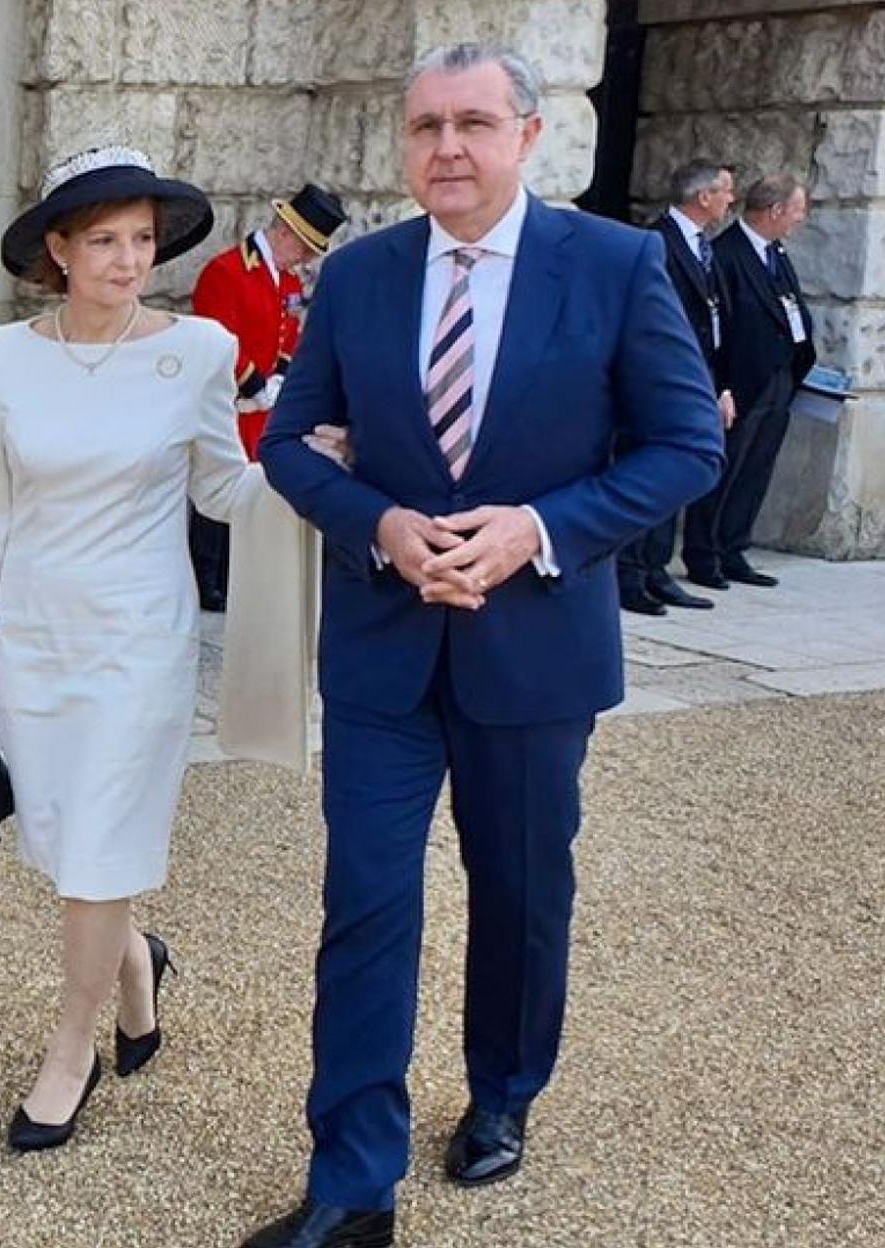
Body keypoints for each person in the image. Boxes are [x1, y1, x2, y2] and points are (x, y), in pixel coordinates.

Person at [242, 43, 723, 1248]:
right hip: (383, 653)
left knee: (518, 894)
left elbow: (683, 448)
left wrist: (539, 532)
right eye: (423, 129)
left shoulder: (614, 267)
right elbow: (293, 444)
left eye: (470, 124)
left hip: (536, 650)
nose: (445, 149)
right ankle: (353, 1182)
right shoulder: (357, 280)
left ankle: (504, 1093)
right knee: (365, 903)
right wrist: (385, 528)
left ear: (526, 135)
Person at [0, 146, 343, 1154]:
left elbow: (221, 489)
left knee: (102, 838)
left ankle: (71, 1053)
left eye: (142, 240)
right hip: (37, 639)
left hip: (140, 644)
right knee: (72, 845)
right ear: (57, 252)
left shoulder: (196, 349)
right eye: (104, 240)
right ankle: (136, 966)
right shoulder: (2, 359)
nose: (126, 260)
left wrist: (303, 468)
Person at [188, 185, 348, 609]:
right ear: (286, 234)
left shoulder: (289, 278)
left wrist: (280, 374)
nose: (307, 259)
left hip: (261, 408)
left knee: (251, 488)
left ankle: (232, 572)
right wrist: (253, 382)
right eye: (307, 249)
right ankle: (206, 575)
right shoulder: (227, 271)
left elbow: (287, 330)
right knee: (217, 484)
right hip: (228, 401)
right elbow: (216, 337)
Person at [683, 174, 815, 590]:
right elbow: (718, 325)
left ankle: (732, 547)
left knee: (755, 469)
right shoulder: (726, 254)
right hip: (740, 383)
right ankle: (703, 554)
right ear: (775, 211)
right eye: (797, 210)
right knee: (726, 466)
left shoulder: (776, 253)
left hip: (778, 378)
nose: (801, 218)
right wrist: (722, 384)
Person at [618, 159, 737, 616]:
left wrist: (718, 384)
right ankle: (629, 574)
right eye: (724, 191)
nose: (730, 200)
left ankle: (655, 569)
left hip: (696, 378)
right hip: (657, 382)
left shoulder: (705, 248)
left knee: (674, 478)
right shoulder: (656, 243)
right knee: (644, 473)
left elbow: (712, 322)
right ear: (703, 196)